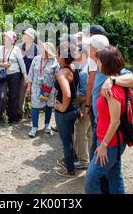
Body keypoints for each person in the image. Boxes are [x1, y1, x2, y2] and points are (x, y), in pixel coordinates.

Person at [84, 46, 129, 194]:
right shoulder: (111, 81)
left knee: (91, 179)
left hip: (110, 143)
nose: (97, 64)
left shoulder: (112, 90)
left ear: (106, 64)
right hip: (107, 139)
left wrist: (103, 145)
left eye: (99, 61)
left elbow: (115, 121)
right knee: (115, 177)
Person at [54, 43, 80, 177]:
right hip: (74, 109)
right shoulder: (72, 68)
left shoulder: (61, 73)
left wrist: (62, 107)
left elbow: (67, 94)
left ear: (62, 56)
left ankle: (70, 170)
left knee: (66, 141)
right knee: (70, 137)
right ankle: (72, 160)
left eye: (58, 53)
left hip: (64, 112)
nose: (56, 56)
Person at [0, 31, 28, 126]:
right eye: (4, 37)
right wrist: (2, 64)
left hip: (14, 75)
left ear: (12, 41)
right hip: (2, 74)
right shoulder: (0, 49)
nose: (5, 39)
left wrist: (25, 75)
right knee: (1, 96)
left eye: (7, 38)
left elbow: (21, 63)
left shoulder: (16, 50)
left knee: (14, 96)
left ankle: (12, 118)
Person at [26, 42, 59, 138]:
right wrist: (28, 87)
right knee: (35, 106)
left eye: (43, 49)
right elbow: (30, 74)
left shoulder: (54, 61)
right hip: (36, 87)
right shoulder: (36, 59)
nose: (41, 50)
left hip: (49, 88)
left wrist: (57, 91)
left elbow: (58, 77)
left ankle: (47, 124)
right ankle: (34, 127)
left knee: (49, 106)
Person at [74, 48, 91, 170]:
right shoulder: (90, 68)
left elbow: (83, 94)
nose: (74, 55)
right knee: (89, 132)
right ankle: (89, 158)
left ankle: (83, 161)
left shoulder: (84, 73)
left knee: (80, 131)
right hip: (90, 105)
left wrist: (74, 101)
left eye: (76, 52)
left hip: (85, 105)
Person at [17, 28, 40, 120]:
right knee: (21, 95)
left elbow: (38, 63)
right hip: (22, 75)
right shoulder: (19, 47)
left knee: (33, 95)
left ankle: (31, 113)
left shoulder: (36, 48)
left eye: (26, 35)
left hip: (33, 76)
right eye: (24, 34)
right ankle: (20, 114)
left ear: (31, 38)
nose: (24, 36)